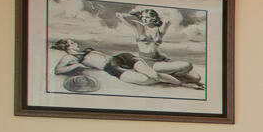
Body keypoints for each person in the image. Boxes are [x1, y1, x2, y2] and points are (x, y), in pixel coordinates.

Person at [49, 39, 203, 89]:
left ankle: (185, 85)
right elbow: (58, 70)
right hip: (111, 68)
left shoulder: (83, 53)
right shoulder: (70, 59)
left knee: (153, 74)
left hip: (122, 58)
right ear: (66, 47)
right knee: (148, 80)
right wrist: (77, 66)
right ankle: (182, 79)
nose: (75, 44)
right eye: (72, 43)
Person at [124, 7, 202, 84]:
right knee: (188, 65)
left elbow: (167, 20)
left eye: (147, 17)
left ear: (153, 18)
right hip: (149, 62)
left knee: (196, 78)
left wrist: (157, 19)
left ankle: (169, 74)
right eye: (143, 17)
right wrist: (137, 15)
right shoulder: (139, 29)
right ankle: (169, 76)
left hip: (161, 59)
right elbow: (120, 15)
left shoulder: (159, 30)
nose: (144, 19)